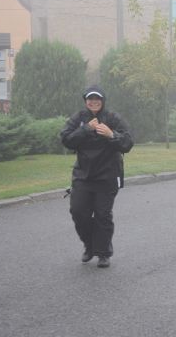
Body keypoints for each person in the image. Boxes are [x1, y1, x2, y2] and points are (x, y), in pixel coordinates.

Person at [60, 86, 134, 268]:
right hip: (83, 176)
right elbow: (66, 139)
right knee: (78, 212)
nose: (94, 102)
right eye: (90, 99)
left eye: (97, 99)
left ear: (103, 100)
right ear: (85, 101)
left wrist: (111, 134)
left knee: (102, 215)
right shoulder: (78, 119)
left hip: (107, 175)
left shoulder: (113, 118)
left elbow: (127, 144)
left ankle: (103, 253)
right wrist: (85, 129)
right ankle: (89, 245)